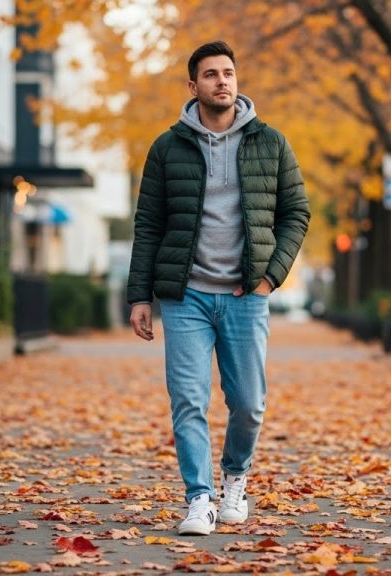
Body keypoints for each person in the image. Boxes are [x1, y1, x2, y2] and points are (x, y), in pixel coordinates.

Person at [126, 41, 310, 536]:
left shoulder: (270, 143)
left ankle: (235, 477)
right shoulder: (167, 148)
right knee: (188, 400)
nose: (222, 81)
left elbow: (297, 213)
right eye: (210, 74)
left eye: (228, 72)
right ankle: (199, 499)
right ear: (194, 86)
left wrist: (270, 277)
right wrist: (139, 296)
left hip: (246, 296)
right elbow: (149, 224)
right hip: (184, 297)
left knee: (248, 403)